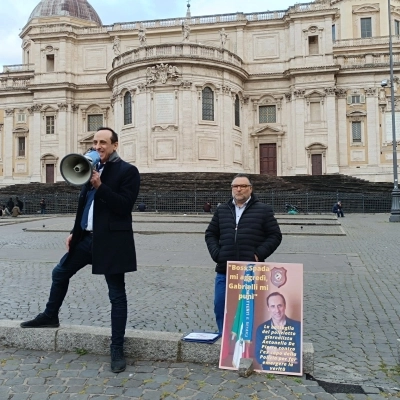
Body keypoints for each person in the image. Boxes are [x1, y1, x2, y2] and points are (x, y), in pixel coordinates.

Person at [21, 127, 140, 374]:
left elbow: (124, 206)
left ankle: (116, 347)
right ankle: (50, 315)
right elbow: (84, 206)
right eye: (95, 142)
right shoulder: (90, 170)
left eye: (103, 142)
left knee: (117, 295)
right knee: (59, 272)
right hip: (86, 239)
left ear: (115, 145)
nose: (98, 146)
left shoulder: (128, 171)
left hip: (112, 242)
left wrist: (100, 186)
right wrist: (75, 232)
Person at [205, 173, 282, 333]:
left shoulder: (263, 210)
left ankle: (249, 347)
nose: (239, 189)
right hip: (225, 270)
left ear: (250, 189)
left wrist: (258, 255)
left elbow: (275, 235)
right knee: (222, 307)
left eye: (243, 186)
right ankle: (225, 342)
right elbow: (210, 233)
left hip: (251, 271)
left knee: (249, 310)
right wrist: (217, 254)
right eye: (235, 186)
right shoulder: (222, 210)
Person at [255, 292, 301, 373]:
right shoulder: (261, 329)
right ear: (268, 308)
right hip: (269, 375)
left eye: (279, 305)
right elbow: (260, 358)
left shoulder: (298, 326)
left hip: (292, 375)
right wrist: (288, 355)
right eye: (273, 306)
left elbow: (298, 357)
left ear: (285, 306)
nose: (277, 310)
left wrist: (273, 351)